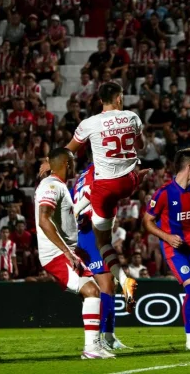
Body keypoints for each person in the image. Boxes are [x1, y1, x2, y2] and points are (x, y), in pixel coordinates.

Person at [40, 82, 148, 312]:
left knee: (104, 277)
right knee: (102, 279)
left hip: (92, 212)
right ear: (119, 98)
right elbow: (142, 145)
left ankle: (106, 337)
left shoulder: (88, 167)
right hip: (126, 183)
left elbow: (69, 151)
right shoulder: (132, 117)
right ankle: (109, 330)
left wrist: (49, 163)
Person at [35, 148, 113, 359]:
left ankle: (94, 344)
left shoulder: (59, 187)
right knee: (91, 291)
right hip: (57, 253)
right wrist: (67, 253)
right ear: (66, 164)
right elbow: (44, 220)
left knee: (91, 292)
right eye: (72, 163)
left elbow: (64, 217)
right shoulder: (51, 186)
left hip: (66, 252)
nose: (74, 166)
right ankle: (91, 348)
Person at [143, 148, 190, 352]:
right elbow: (148, 221)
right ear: (189, 167)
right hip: (175, 250)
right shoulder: (164, 193)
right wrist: (167, 237)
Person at [73, 162, 128, 350]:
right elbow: (93, 193)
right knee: (107, 287)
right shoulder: (100, 170)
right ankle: (104, 337)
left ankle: (105, 336)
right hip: (91, 233)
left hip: (81, 233)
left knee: (98, 289)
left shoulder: (81, 177)